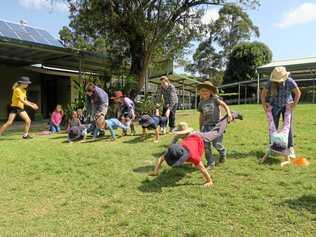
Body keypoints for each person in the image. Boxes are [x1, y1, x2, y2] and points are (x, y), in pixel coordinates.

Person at [149, 122, 213, 187]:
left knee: (196, 161)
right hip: (187, 143)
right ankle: (191, 162)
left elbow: (202, 168)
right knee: (192, 160)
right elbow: (160, 158)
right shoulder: (174, 150)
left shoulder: (194, 156)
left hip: (197, 141)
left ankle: (192, 163)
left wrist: (209, 181)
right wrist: (155, 172)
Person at [261, 66, 301, 159]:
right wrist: (265, 107)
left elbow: (298, 93)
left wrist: (293, 106)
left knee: (288, 127)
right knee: (272, 127)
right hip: (274, 106)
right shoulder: (270, 83)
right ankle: (273, 147)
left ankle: (290, 148)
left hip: (287, 106)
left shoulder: (289, 81)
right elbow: (263, 94)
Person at [198, 81, 233, 169]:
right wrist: (200, 127)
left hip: (217, 126)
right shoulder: (200, 103)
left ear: (211, 92)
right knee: (206, 146)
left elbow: (224, 105)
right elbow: (201, 116)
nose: (204, 92)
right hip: (205, 127)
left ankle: (222, 152)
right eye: (202, 90)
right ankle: (210, 162)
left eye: (207, 90)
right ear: (200, 92)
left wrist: (228, 114)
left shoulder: (215, 99)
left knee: (216, 144)